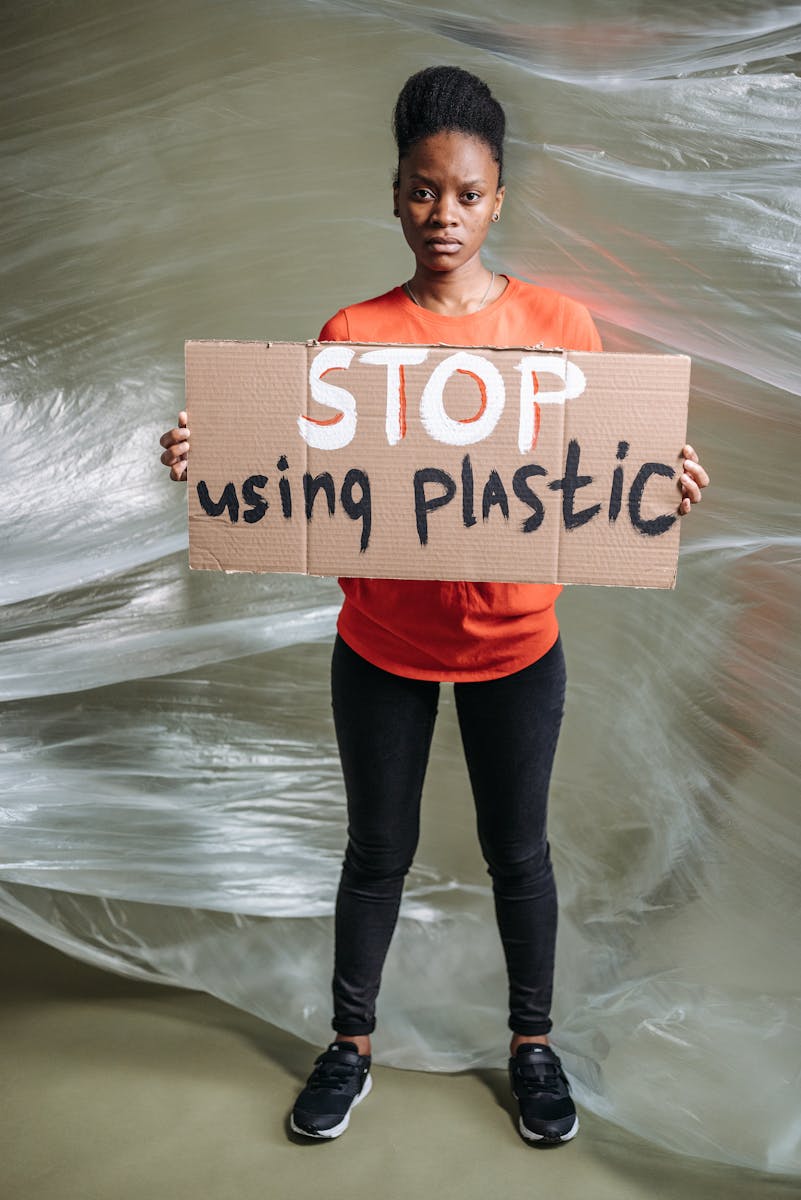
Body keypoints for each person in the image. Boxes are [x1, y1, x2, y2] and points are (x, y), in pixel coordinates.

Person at [159, 65, 710, 1146]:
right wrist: (212, 453)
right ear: (395, 191)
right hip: (383, 646)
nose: (443, 216)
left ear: (499, 196)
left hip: (519, 646)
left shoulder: (561, 326)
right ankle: (348, 1046)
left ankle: (532, 1049)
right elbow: (302, 477)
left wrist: (661, 480)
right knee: (377, 852)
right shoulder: (353, 336)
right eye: (422, 190)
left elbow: (596, 478)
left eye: (466, 194)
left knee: (521, 853)